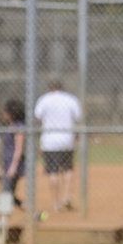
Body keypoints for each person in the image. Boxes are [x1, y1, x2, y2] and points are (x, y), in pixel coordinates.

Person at [34, 79, 81, 212]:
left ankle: (55, 202)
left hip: (49, 140)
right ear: (61, 87)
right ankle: (67, 195)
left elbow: (37, 118)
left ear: (50, 88)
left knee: (53, 171)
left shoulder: (44, 99)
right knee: (68, 168)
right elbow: (78, 117)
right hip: (67, 139)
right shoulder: (70, 99)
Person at [0, 100, 26, 208]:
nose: (4, 114)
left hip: (13, 165)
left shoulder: (19, 127)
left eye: (6, 111)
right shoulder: (11, 125)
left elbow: (19, 149)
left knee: (6, 192)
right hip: (8, 163)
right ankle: (33, 212)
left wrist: (13, 167)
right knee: (8, 192)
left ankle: (3, 220)